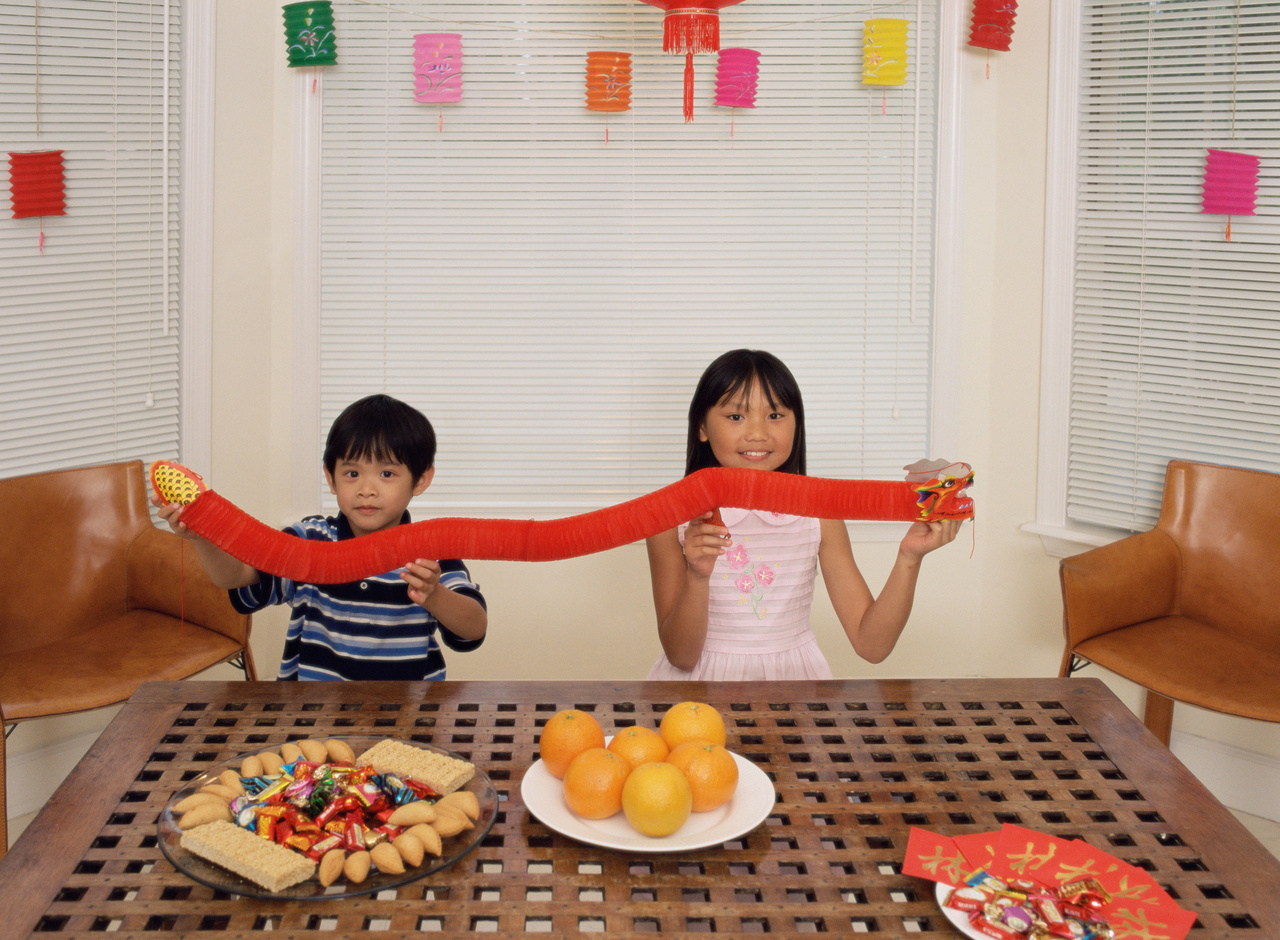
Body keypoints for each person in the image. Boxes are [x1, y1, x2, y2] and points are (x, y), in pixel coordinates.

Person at [645, 349, 961, 681]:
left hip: (795, 689)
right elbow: (682, 657)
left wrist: (909, 557)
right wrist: (697, 575)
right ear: (702, 427)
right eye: (736, 416)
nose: (758, 433)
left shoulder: (819, 515)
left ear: (797, 423)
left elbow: (872, 646)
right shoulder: (669, 519)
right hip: (699, 697)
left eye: (775, 415)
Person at [155, 394, 488, 681]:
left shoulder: (430, 553)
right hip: (310, 715)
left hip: (407, 717)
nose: (367, 489)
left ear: (421, 480)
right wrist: (203, 537)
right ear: (331, 478)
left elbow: (474, 629)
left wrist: (434, 594)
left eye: (387, 474)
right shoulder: (310, 539)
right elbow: (236, 577)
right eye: (352, 473)